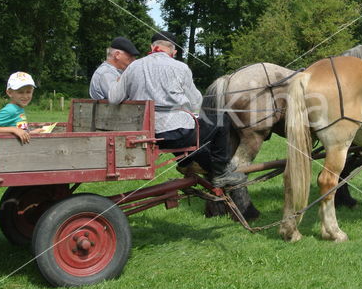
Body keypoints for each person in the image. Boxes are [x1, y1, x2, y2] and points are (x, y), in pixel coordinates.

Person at [108, 32, 258, 219]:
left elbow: (114, 98)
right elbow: (196, 102)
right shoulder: (180, 67)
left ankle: (188, 162)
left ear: (153, 46)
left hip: (144, 133)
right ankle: (221, 172)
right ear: (172, 49)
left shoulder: (133, 67)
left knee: (198, 140)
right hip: (175, 132)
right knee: (221, 120)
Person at [0, 72, 44, 144]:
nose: (25, 96)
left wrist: (31, 133)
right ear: (10, 93)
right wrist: (13, 129)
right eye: (20, 92)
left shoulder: (18, 108)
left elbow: (19, 130)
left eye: (28, 92)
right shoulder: (10, 110)